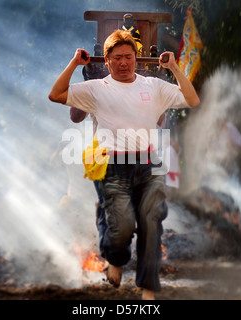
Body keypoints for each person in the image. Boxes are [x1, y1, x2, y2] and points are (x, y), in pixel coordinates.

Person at [49, 30, 200, 300]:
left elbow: (192, 100)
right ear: (107, 61)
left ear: (136, 58)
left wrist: (174, 67)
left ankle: (149, 290)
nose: (123, 63)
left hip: (148, 162)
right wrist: (74, 63)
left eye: (128, 57)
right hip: (112, 164)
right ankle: (115, 259)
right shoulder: (97, 87)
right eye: (117, 58)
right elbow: (56, 94)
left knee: (152, 224)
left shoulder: (153, 85)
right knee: (123, 228)